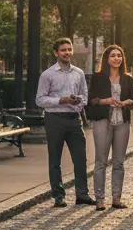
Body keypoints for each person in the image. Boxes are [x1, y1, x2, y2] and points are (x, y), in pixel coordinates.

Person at [36, 38, 94, 208]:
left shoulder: (79, 73)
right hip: (54, 120)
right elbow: (40, 100)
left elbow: (84, 95)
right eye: (63, 50)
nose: (67, 53)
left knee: (81, 158)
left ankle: (82, 194)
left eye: (69, 49)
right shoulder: (47, 75)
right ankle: (58, 196)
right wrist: (61, 100)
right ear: (56, 53)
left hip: (74, 120)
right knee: (55, 159)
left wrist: (78, 101)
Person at [88, 44, 133, 211]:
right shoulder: (98, 77)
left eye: (119, 55)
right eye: (113, 56)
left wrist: (127, 102)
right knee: (101, 162)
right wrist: (106, 101)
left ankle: (116, 198)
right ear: (107, 59)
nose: (117, 58)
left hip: (122, 121)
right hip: (102, 121)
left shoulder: (128, 78)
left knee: (119, 162)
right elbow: (91, 100)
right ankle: (99, 199)